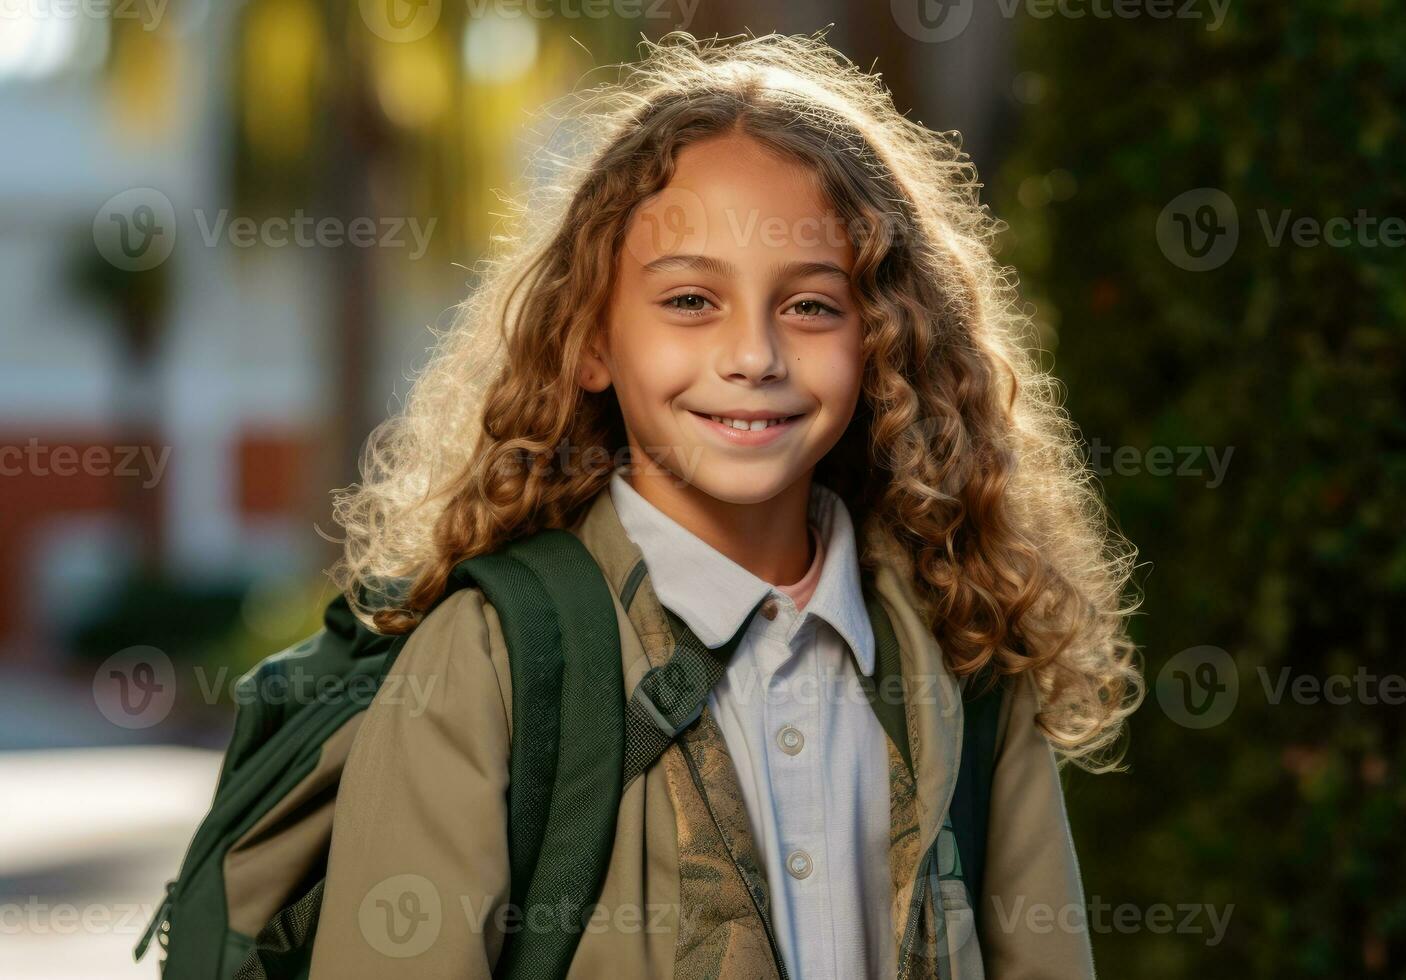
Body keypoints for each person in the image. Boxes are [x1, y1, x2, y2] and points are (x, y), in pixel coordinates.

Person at [309, 31, 1140, 980]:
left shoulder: (965, 650)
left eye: (812, 307)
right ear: (587, 339)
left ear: (886, 347)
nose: (754, 355)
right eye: (692, 300)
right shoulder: (494, 657)